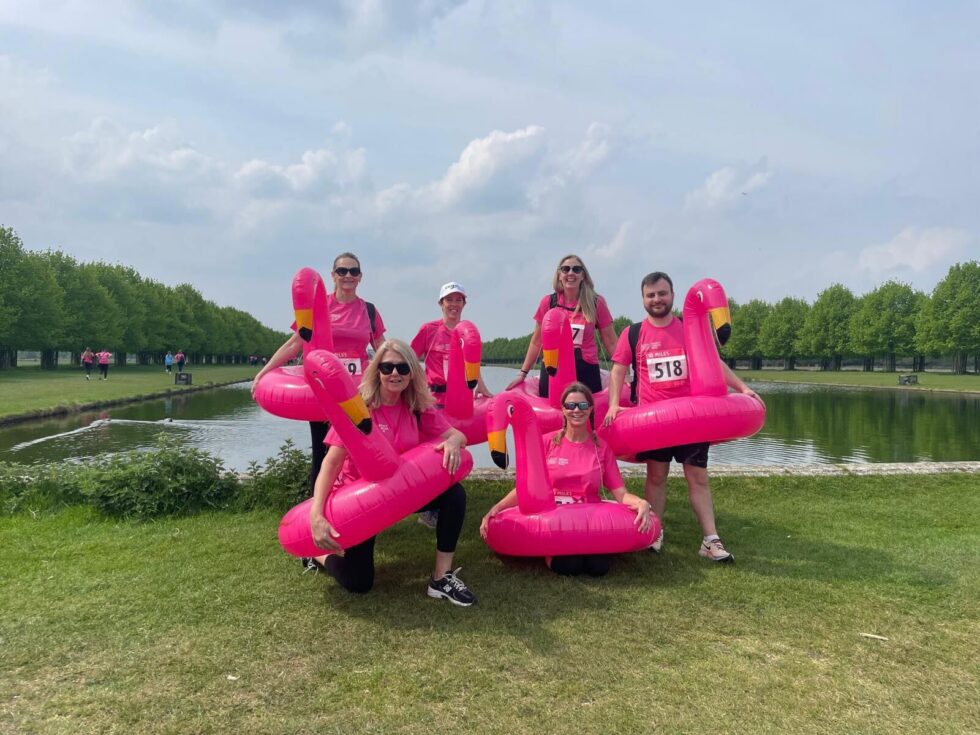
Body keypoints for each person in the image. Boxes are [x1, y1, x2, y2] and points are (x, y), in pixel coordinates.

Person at [603, 272, 762, 563]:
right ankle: (654, 531)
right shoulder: (633, 334)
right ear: (643, 299)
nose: (657, 299)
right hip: (654, 422)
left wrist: (742, 387)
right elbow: (618, 370)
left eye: (662, 293)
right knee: (656, 476)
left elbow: (714, 362)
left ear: (672, 295)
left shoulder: (689, 329)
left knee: (697, 477)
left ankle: (711, 540)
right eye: (651, 295)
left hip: (691, 420)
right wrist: (613, 404)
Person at [302, 339, 476, 605]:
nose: (395, 373)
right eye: (387, 367)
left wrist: (453, 441)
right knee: (359, 582)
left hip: (400, 493)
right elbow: (331, 463)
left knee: (455, 495)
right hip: (360, 500)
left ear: (412, 373)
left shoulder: (417, 408)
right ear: (377, 371)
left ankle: (441, 578)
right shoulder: (359, 409)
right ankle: (317, 555)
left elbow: (459, 435)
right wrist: (316, 514)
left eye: (403, 368)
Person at [480, 382, 653, 576]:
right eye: (570, 406)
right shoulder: (546, 443)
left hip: (588, 521)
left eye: (582, 405)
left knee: (598, 567)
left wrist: (640, 502)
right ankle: (551, 553)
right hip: (555, 520)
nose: (576, 410)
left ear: (591, 409)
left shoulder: (602, 448)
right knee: (568, 565)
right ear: (563, 410)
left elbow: (620, 493)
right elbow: (528, 489)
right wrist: (498, 507)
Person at [253, 252, 385, 491]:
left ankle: (355, 503)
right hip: (325, 390)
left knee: (357, 452)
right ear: (333, 275)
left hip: (358, 393)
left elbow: (382, 349)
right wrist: (264, 372)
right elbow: (295, 343)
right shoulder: (318, 307)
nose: (348, 275)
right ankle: (317, 506)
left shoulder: (369, 311)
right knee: (322, 453)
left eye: (353, 271)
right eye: (342, 271)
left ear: (360, 277)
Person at [506, 254, 617, 397]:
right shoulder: (548, 303)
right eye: (565, 269)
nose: (571, 273)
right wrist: (522, 373)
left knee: (586, 408)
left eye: (576, 269)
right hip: (553, 368)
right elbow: (536, 342)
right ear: (559, 275)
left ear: (583, 275)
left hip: (586, 368)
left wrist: (624, 373)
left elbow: (611, 341)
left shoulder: (596, 303)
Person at [411, 281, 493, 399]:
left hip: (462, 398)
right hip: (434, 399)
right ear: (441, 303)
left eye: (458, 300)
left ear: (464, 304)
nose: (454, 304)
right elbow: (409, 360)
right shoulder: (428, 329)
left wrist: (481, 386)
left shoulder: (468, 333)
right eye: (449, 300)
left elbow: (472, 364)